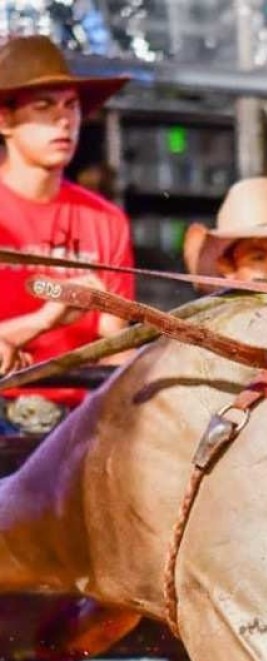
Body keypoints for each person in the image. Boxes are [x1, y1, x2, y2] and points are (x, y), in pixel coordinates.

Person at [0, 35, 133, 410]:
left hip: (78, 419)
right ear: (4, 120)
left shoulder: (107, 221)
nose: (64, 120)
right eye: (45, 106)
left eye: (72, 106)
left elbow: (115, 352)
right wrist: (44, 320)